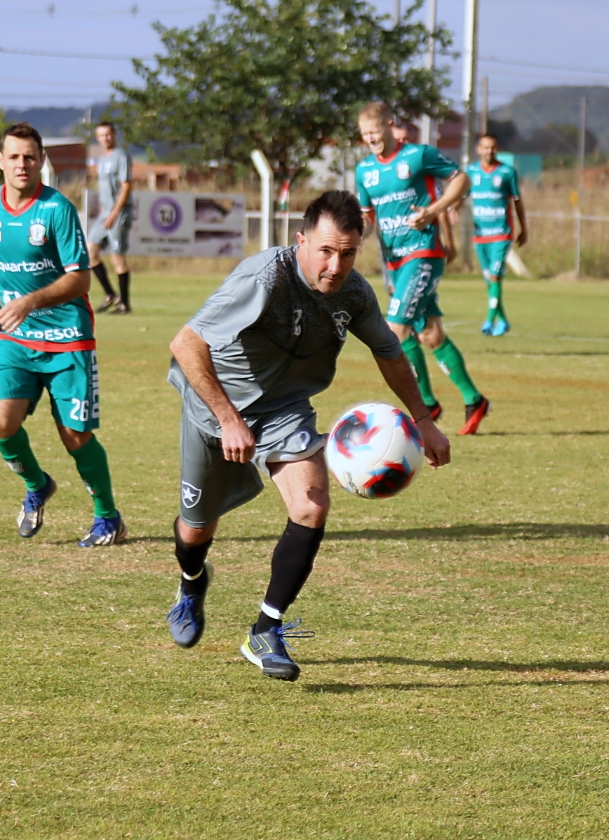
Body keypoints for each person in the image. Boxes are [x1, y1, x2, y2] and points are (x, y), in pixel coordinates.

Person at [166, 190, 451, 682]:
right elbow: (186, 343)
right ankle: (191, 582)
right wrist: (229, 418)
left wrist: (423, 420)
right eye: (325, 251)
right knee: (195, 531)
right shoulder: (264, 278)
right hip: (215, 410)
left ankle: (265, 629)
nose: (336, 266)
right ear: (301, 241)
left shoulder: (354, 294)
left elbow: (389, 352)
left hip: (285, 410)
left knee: (311, 505)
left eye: (348, 253)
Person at [0, 123, 125, 548]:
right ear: (0, 161)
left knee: (74, 436)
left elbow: (81, 279)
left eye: (30, 157)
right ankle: (37, 485)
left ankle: (108, 517)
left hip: (69, 337)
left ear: (41, 162)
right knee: (0, 422)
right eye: (14, 156)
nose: (22, 164)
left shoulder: (56, 209)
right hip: (15, 339)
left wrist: (29, 302)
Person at [354, 101, 491, 434]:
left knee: (395, 331)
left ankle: (425, 407)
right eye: (364, 134)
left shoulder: (418, 156)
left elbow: (461, 179)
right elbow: (367, 218)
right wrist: (354, 235)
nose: (370, 138)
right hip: (393, 262)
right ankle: (473, 399)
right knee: (429, 333)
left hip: (423, 253)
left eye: (374, 131)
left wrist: (434, 210)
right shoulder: (364, 170)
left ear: (389, 126)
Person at [466, 132, 529, 336]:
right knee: (490, 280)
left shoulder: (507, 172)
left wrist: (523, 228)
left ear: (497, 149)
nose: (489, 151)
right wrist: (451, 210)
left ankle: (490, 319)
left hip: (501, 233)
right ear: (479, 149)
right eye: (485, 147)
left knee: (494, 275)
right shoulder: (471, 172)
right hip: (480, 234)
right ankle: (503, 319)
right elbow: (459, 195)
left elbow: (517, 201)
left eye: (493, 147)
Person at [86, 120, 134, 314]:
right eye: (101, 135)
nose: (105, 138)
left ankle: (125, 304)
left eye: (108, 134)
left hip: (118, 212)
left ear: (114, 135)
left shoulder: (121, 156)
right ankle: (110, 294)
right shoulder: (102, 159)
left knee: (117, 258)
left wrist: (114, 212)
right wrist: (105, 210)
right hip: (105, 213)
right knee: (90, 252)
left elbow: (126, 186)